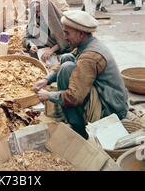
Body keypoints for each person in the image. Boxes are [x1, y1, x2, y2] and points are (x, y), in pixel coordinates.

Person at [34, 10, 128, 139]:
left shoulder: (90, 56)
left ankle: (79, 128)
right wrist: (46, 79)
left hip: (111, 108)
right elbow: (71, 57)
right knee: (67, 58)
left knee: (67, 68)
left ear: (81, 34)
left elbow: (73, 97)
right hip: (110, 98)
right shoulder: (87, 43)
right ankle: (75, 119)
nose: (65, 37)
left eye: (67, 33)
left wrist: (48, 95)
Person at [26, 0, 69, 64]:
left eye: (38, 11)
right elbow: (27, 36)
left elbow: (66, 40)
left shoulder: (61, 20)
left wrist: (52, 50)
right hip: (42, 51)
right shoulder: (35, 19)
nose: (36, 14)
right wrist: (32, 44)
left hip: (60, 52)